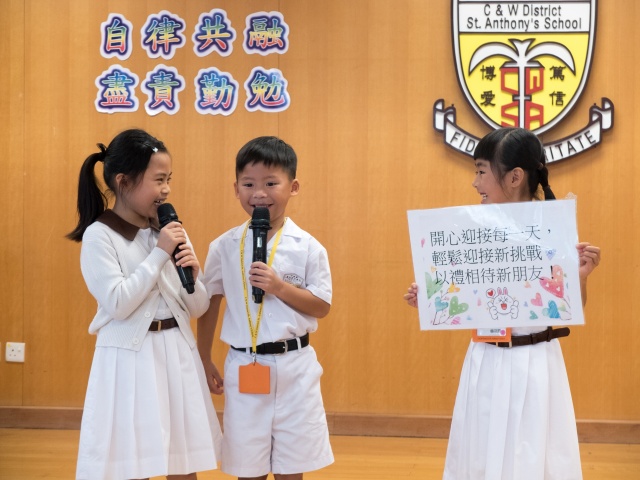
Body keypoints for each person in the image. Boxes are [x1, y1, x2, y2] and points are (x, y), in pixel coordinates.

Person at [404, 127, 601, 480]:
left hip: (534, 360)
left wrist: (580, 277)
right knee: (480, 454)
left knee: (532, 456)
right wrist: (434, 299)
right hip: (485, 358)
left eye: (481, 171)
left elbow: (571, 308)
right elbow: (467, 297)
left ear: (514, 177)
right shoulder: (471, 230)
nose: (475, 182)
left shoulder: (550, 229)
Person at [68, 129, 222, 480]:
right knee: (133, 463)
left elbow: (197, 307)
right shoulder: (99, 235)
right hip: (130, 360)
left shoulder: (166, 231)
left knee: (182, 464)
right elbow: (118, 303)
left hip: (176, 353)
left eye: (169, 179)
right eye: (158, 180)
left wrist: (193, 276)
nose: (166, 189)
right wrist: (159, 254)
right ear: (123, 182)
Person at [198, 136, 334, 480]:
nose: (259, 193)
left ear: (293, 187)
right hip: (245, 365)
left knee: (292, 467)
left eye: (271, 183)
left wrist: (280, 287)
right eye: (249, 184)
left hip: (295, 368)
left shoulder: (309, 247)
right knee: (248, 467)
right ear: (236, 189)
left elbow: (321, 306)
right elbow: (210, 303)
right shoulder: (224, 246)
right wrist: (203, 356)